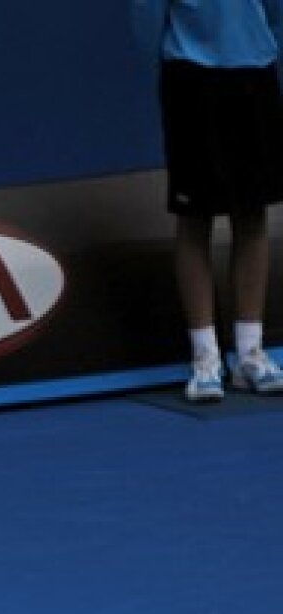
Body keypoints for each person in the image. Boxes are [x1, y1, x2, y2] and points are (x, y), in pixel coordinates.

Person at [132, 0, 283, 400]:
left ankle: (250, 353)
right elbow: (145, 15)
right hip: (190, 75)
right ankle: (205, 358)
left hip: (256, 70)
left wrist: (267, 45)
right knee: (195, 215)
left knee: (252, 214)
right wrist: (172, 65)